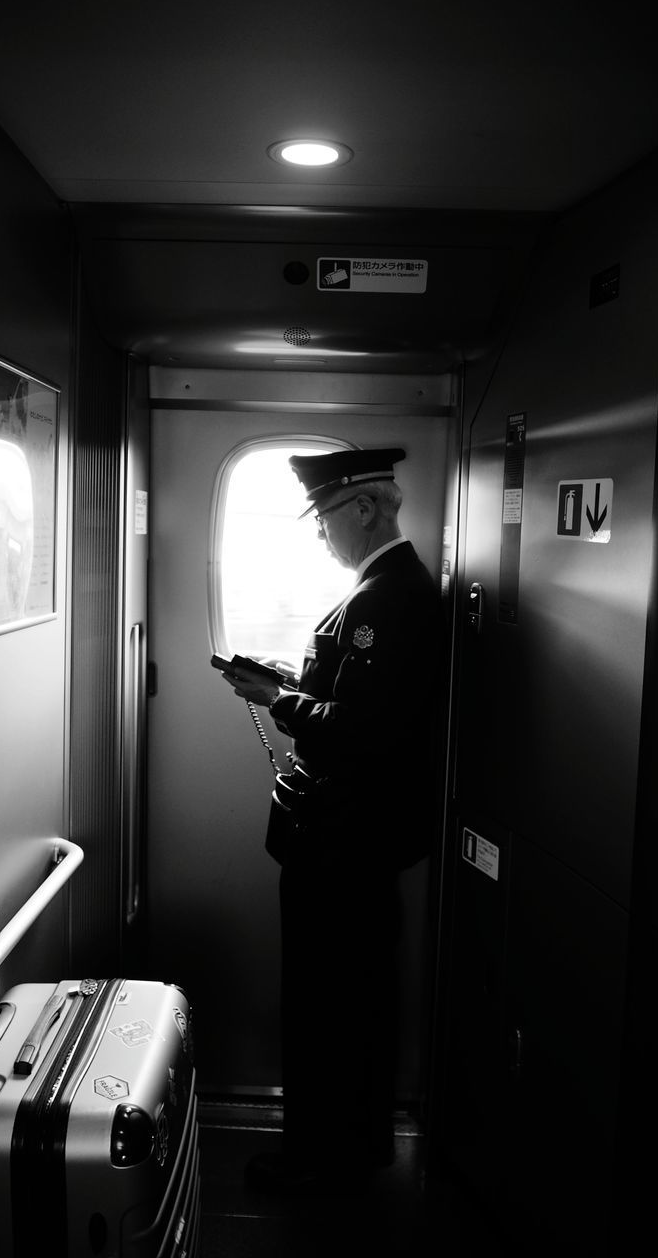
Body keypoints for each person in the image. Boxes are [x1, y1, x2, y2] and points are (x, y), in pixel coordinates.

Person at [218, 447, 445, 1194]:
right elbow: (356, 702)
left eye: (323, 520)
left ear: (364, 509)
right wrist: (284, 682)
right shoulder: (379, 591)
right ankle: (358, 1145)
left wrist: (276, 700)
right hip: (349, 841)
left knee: (327, 1007)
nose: (320, 536)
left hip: (344, 845)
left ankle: (320, 1160)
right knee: (352, 999)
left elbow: (369, 730)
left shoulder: (391, 597)